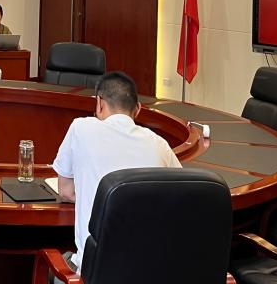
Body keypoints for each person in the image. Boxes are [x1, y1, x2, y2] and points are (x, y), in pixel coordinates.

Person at [53, 71, 181, 276]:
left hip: (94, 273)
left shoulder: (81, 128)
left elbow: (66, 192)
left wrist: (94, 195)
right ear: (138, 109)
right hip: (150, 271)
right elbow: (180, 196)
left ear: (99, 104)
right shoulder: (159, 145)